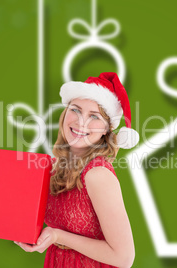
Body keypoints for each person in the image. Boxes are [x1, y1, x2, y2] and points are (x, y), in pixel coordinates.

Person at [14, 72, 139, 267]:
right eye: (76, 110)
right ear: (65, 113)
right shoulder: (53, 168)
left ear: (106, 129)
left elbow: (124, 258)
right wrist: (30, 234)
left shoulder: (98, 175)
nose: (81, 122)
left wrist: (56, 236)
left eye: (94, 116)